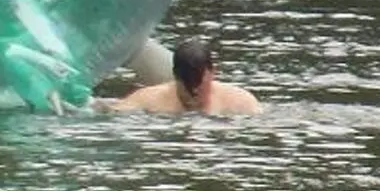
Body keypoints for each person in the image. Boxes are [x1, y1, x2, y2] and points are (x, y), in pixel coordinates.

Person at [101, 35, 263, 117]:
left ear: (212, 73)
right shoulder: (147, 100)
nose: (193, 98)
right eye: (186, 90)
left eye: (199, 89)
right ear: (175, 77)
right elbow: (107, 112)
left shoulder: (241, 102)